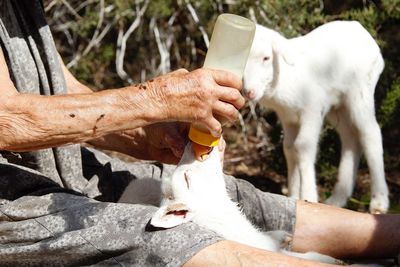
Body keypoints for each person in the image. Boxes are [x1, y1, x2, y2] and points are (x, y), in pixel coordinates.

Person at [0, 1, 398, 266]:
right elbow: (6, 119)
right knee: (159, 238)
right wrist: (154, 98)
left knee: (230, 197)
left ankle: (389, 234)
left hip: (64, 164)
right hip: (12, 197)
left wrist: (145, 135)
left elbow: (61, 90)